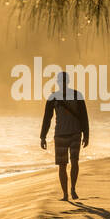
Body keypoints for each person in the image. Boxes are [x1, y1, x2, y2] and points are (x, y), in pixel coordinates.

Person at [39, 70, 89, 201]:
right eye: (61, 81)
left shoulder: (77, 95)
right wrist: (42, 136)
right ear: (58, 82)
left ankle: (72, 189)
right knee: (62, 165)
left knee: (74, 162)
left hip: (75, 133)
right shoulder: (53, 97)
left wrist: (86, 134)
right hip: (60, 134)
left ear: (68, 81)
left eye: (64, 80)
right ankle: (65, 194)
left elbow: (84, 116)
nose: (62, 83)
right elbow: (47, 118)